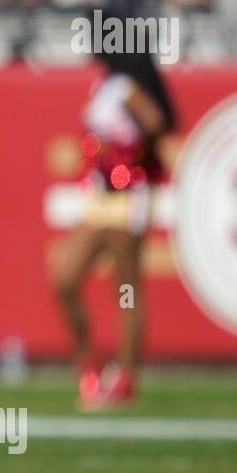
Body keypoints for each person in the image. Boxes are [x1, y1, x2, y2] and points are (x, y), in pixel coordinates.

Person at [50, 43, 175, 410]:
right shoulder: (104, 86)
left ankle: (125, 376)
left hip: (126, 195)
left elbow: (154, 123)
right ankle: (90, 367)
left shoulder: (125, 86)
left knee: (126, 287)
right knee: (65, 276)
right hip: (100, 197)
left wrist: (127, 156)